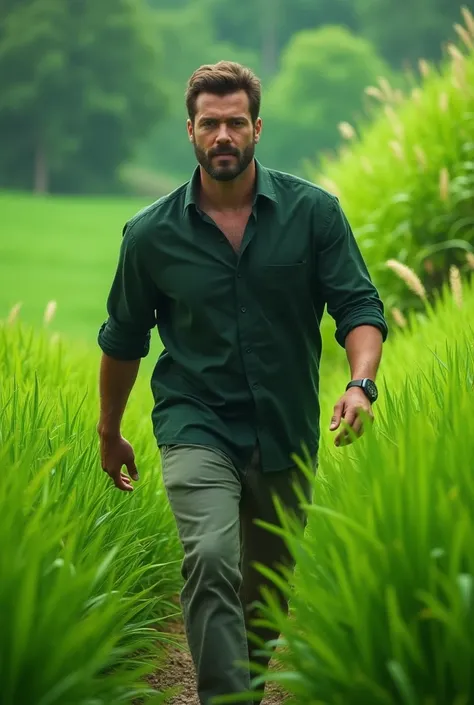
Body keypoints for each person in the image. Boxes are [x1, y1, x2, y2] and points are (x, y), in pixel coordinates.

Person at [97, 61, 388, 705]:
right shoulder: (150, 235)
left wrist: (360, 385)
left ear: (256, 128)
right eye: (210, 124)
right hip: (194, 422)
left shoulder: (314, 214)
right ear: (192, 132)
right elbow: (123, 340)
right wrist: (110, 429)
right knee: (209, 557)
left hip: (286, 429)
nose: (222, 135)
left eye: (235, 123)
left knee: (266, 590)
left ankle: (246, 689)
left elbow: (361, 310)